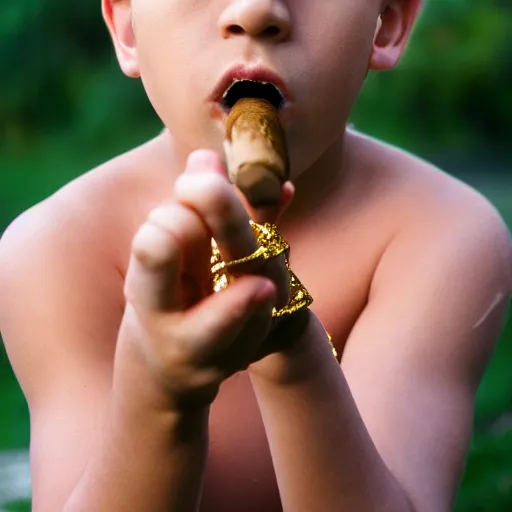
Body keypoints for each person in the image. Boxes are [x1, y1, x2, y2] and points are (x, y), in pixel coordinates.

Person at [1, 1, 511, 510]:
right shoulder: (55, 251)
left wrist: (290, 349)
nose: (255, 10)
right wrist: (158, 397)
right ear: (128, 27)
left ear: (388, 22)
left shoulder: (440, 233)